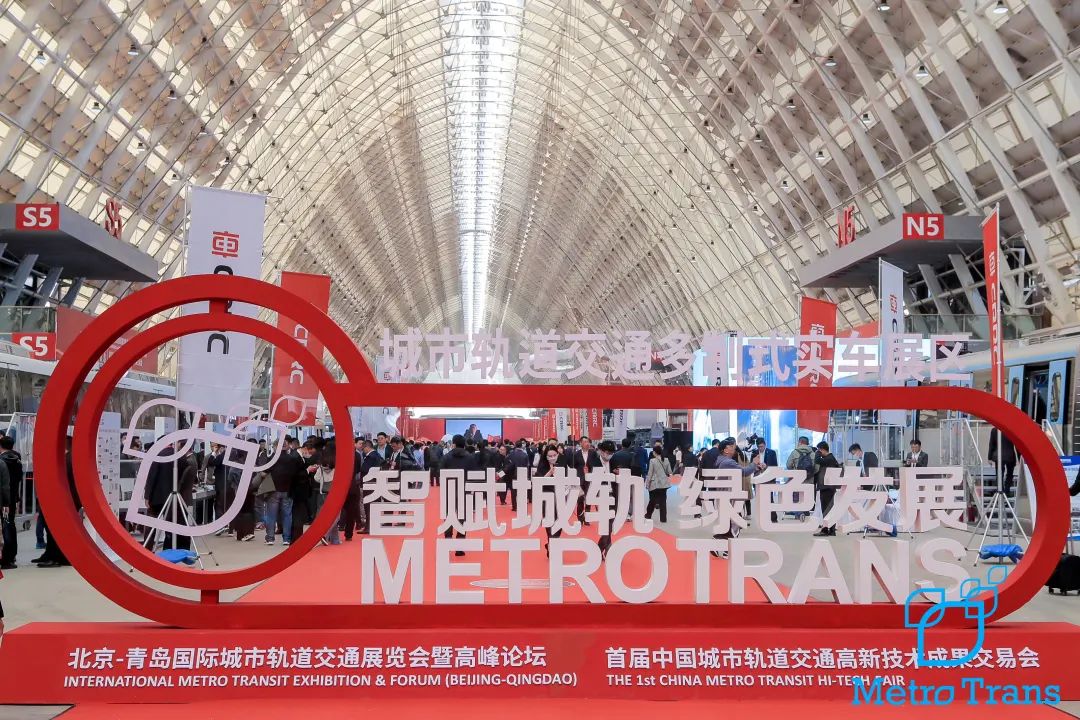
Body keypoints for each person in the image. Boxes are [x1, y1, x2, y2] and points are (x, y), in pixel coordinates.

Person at [711, 438, 762, 557]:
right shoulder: (727, 462)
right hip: (730, 497)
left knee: (729, 524)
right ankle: (724, 549)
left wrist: (754, 466)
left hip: (725, 496)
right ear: (725, 450)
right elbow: (744, 472)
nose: (734, 448)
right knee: (734, 524)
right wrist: (754, 463)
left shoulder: (722, 460)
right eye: (732, 446)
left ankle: (717, 544)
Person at [439, 435, 477, 555]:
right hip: (464, 491)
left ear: (453, 444)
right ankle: (459, 547)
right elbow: (474, 475)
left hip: (449, 490)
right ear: (464, 444)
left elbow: (440, 472)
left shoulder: (446, 457)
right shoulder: (470, 457)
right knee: (462, 518)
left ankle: (448, 542)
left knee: (448, 516)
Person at [264, 439, 305, 546]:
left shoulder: (272, 458)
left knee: (271, 515)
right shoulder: (291, 459)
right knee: (287, 515)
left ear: (275, 447)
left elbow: (265, 472)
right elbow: (296, 473)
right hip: (288, 490)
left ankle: (270, 538)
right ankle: (286, 538)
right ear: (286, 447)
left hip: (273, 489)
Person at [535, 444, 572, 555]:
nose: (552, 458)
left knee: (560, 521)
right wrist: (550, 473)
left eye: (554, 455)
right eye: (550, 456)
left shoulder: (562, 464)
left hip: (560, 496)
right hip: (547, 496)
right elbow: (538, 482)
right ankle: (552, 543)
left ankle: (552, 542)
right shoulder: (542, 466)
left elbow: (567, 478)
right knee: (549, 521)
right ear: (546, 456)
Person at [813, 441, 842, 537]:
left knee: (827, 509)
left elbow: (817, 460)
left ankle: (827, 530)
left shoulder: (829, 459)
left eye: (819, 450)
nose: (818, 452)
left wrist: (817, 453)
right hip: (827, 487)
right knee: (828, 509)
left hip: (827, 488)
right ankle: (830, 529)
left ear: (822, 449)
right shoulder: (829, 458)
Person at [0, 437, 20, 569]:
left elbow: (4, 485)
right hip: (12, 498)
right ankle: (11, 556)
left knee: (4, 528)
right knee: (10, 525)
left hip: (4, 500)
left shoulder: (2, 462)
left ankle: (5, 557)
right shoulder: (17, 460)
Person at [573, 436, 601, 523]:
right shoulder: (576, 454)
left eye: (588, 442)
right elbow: (573, 466)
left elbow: (598, 464)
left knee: (589, 499)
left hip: (590, 479)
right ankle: (580, 518)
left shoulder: (593, 453)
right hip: (580, 479)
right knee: (580, 499)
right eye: (585, 442)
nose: (587, 443)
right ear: (580, 443)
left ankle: (587, 519)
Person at [644, 443, 672, 523]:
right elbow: (669, 471)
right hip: (664, 483)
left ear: (654, 452)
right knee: (663, 502)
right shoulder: (666, 460)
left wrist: (647, 484)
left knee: (652, 500)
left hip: (655, 483)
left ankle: (648, 515)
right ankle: (663, 519)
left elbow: (650, 473)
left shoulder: (652, 461)